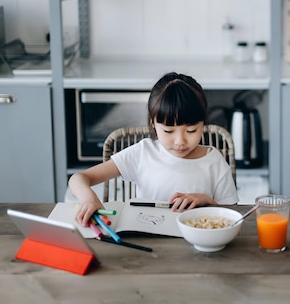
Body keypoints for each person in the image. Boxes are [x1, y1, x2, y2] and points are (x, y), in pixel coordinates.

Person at [69, 72, 239, 227]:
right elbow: (79, 178)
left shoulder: (214, 161)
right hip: (148, 243)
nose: (180, 141)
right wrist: (89, 199)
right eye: (168, 131)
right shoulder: (143, 153)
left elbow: (234, 217)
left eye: (191, 130)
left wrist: (208, 202)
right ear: (153, 123)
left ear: (203, 123)